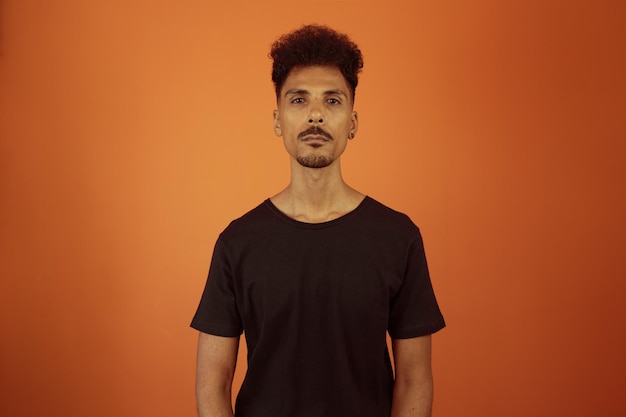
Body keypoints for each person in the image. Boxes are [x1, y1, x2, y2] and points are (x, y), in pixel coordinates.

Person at [191, 24, 445, 417]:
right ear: (277, 121)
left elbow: (415, 379)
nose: (315, 115)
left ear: (353, 122)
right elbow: (213, 380)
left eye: (332, 100)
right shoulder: (237, 243)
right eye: (298, 100)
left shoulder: (399, 238)